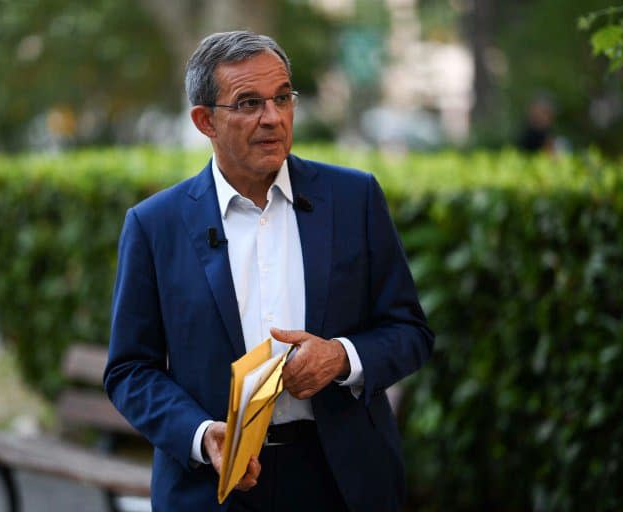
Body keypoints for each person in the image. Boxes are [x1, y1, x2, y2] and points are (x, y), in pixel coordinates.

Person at [104, 31, 434, 512]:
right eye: (248, 103)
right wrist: (200, 435)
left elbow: (410, 332)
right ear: (205, 121)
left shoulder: (354, 198)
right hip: (213, 486)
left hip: (342, 477)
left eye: (283, 97)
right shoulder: (155, 225)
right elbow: (130, 370)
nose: (273, 118)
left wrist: (341, 358)